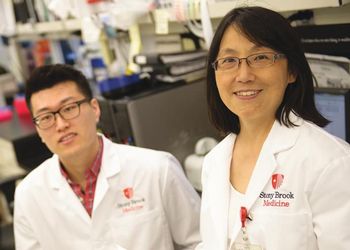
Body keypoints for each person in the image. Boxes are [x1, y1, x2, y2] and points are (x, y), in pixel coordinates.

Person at [196, 6, 350, 250]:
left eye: (260, 57)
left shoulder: (331, 163)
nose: (243, 75)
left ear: (291, 71)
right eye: (229, 61)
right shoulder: (214, 161)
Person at [14, 64, 201, 250]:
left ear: (95, 109)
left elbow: (201, 243)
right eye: (46, 117)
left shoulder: (157, 170)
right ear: (38, 129)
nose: (61, 124)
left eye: (69, 108)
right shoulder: (28, 196)